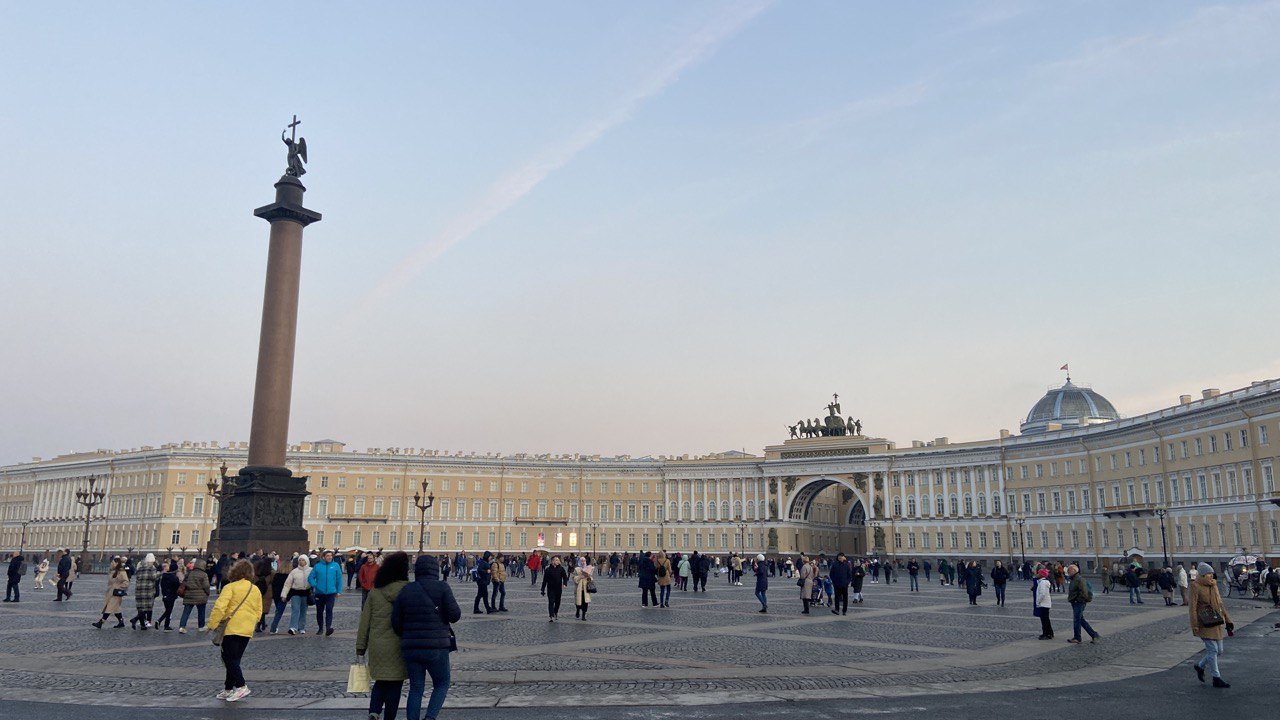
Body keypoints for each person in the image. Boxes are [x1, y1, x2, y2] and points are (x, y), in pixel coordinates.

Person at [393, 553, 461, 720]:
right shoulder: (442, 587)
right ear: (435, 570)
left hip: (411, 648)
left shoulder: (405, 590)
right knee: (442, 683)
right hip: (437, 646)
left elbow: (396, 623)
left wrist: (409, 635)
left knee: (416, 688)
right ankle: (430, 718)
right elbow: (455, 615)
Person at [358, 552, 410, 720]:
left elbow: (364, 621)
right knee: (395, 684)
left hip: (378, 644)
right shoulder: (407, 590)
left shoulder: (375, 592)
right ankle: (390, 717)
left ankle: (374, 711)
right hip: (399, 644)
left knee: (380, 681)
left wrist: (360, 647)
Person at [205, 559, 263, 702]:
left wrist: (212, 624)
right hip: (246, 629)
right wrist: (252, 622)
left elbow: (220, 607)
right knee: (234, 660)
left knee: (228, 659)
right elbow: (258, 610)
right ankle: (228, 688)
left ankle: (242, 686)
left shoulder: (230, 587)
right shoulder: (254, 589)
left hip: (232, 627)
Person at [1189, 562, 1233, 688]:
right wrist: (1194, 624)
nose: (1211, 576)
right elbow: (1192, 607)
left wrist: (1228, 619)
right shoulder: (1195, 586)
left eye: (1212, 573)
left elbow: (1220, 604)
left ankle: (1200, 666)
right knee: (1212, 650)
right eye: (1209, 573)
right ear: (1202, 574)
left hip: (1216, 621)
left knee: (1219, 650)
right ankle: (1216, 678)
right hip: (1204, 622)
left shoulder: (1214, 585)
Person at [309, 549, 343, 636]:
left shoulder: (335, 565)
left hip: (331, 593)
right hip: (319, 593)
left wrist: (339, 591)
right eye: (328, 556)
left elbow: (339, 579)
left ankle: (328, 628)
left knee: (329, 610)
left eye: (331, 556)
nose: (330, 557)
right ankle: (320, 628)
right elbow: (310, 578)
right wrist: (315, 585)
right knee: (319, 611)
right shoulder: (318, 566)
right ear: (323, 557)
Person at [1065, 564, 1100, 644]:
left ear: (1074, 571)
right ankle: (1094, 635)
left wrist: (1078, 600)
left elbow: (1084, 592)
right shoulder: (1074, 579)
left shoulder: (1079, 579)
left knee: (1077, 620)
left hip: (1079, 603)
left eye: (1069, 571)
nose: (1068, 572)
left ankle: (1078, 637)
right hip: (1075, 602)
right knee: (1080, 620)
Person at [93, 558, 130, 629]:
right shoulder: (112, 571)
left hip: (116, 593)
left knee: (109, 608)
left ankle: (100, 622)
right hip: (110, 593)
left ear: (116, 563)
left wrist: (119, 586)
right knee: (116, 609)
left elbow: (126, 582)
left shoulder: (122, 572)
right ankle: (121, 622)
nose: (111, 564)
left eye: (113, 563)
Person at [178, 559, 211, 633]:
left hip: (189, 595)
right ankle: (201, 626)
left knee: (186, 612)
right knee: (201, 612)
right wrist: (208, 593)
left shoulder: (190, 573)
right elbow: (206, 586)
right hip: (200, 596)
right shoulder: (204, 574)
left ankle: (182, 627)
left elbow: (184, 582)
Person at [281, 555, 312, 635]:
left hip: (305, 593)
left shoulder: (311, 570)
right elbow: (287, 584)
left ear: (306, 561)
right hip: (295, 593)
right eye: (300, 560)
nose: (301, 561)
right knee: (295, 610)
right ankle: (293, 627)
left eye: (303, 560)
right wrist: (284, 595)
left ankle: (301, 627)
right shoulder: (294, 571)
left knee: (303, 611)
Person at [541, 555, 568, 622]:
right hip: (550, 588)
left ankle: (555, 612)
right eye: (556, 560)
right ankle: (551, 615)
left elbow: (565, 577)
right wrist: (542, 589)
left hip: (558, 588)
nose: (558, 561)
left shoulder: (561, 569)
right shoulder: (548, 569)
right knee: (551, 601)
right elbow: (545, 580)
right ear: (552, 561)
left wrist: (564, 584)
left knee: (557, 602)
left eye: (558, 560)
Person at [156, 560, 182, 631]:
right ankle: (163, 623)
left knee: (167, 610)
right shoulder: (174, 578)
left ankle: (165, 624)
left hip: (165, 596)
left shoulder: (164, 576)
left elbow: (161, 585)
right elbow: (177, 587)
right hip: (172, 596)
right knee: (168, 611)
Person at [1033, 567, 1053, 640]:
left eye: (1038, 573)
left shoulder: (1042, 583)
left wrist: (1038, 602)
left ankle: (1046, 634)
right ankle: (1049, 633)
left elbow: (1042, 594)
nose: (1037, 574)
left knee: (1044, 620)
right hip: (1045, 603)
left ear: (1041, 575)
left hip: (1043, 604)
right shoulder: (1043, 582)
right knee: (1046, 619)